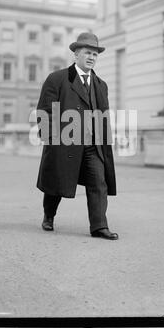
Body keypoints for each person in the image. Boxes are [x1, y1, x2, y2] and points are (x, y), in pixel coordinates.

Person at [36, 32, 118, 240]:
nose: (91, 57)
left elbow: (103, 117)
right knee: (57, 183)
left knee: (99, 181)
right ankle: (49, 215)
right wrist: (51, 139)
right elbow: (45, 110)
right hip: (65, 142)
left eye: (95, 54)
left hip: (93, 145)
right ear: (76, 55)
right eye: (87, 53)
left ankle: (99, 226)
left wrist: (106, 143)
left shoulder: (101, 85)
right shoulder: (57, 79)